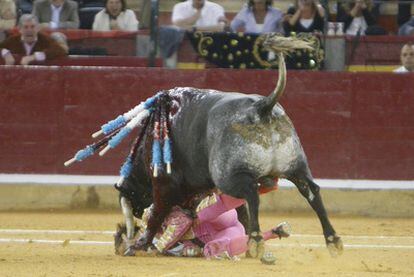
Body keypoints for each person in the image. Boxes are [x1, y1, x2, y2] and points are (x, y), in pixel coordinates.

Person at [0, 14, 67, 65]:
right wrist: (6, 53)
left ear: (38, 28)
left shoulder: (44, 39)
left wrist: (34, 57)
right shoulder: (13, 40)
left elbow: (61, 49)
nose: (29, 30)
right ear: (20, 29)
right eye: (25, 27)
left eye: (32, 27)